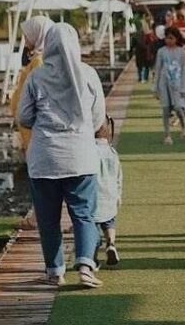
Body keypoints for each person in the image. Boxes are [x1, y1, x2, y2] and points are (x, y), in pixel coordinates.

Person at [17, 23, 107, 288]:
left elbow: (23, 116)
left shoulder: (37, 77)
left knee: (48, 219)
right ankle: (86, 266)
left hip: (45, 158)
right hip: (81, 156)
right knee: (84, 214)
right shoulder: (88, 74)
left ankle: (55, 271)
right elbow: (98, 116)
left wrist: (45, 125)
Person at [11, 15, 55, 151]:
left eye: (28, 35)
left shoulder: (39, 61)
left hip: (33, 128)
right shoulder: (37, 58)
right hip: (29, 124)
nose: (25, 39)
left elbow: (39, 94)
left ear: (38, 34)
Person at [94, 115, 123, 267]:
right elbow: (119, 175)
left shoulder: (89, 151)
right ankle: (111, 244)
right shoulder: (112, 152)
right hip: (110, 194)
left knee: (92, 226)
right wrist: (119, 194)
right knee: (109, 223)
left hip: (94, 196)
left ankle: (92, 256)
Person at [154, 26, 185, 145]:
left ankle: (184, 127)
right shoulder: (161, 51)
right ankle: (167, 135)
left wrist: (184, 88)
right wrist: (156, 88)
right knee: (165, 110)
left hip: (177, 84)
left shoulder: (182, 52)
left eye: (171, 38)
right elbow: (158, 69)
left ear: (176, 39)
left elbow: (184, 71)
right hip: (164, 84)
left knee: (179, 108)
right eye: (167, 38)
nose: (168, 41)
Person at [132, 19, 155, 83]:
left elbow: (133, 44)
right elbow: (152, 42)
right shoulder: (149, 33)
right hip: (146, 51)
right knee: (146, 65)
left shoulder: (136, 34)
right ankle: (145, 78)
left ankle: (141, 78)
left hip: (141, 52)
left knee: (141, 66)